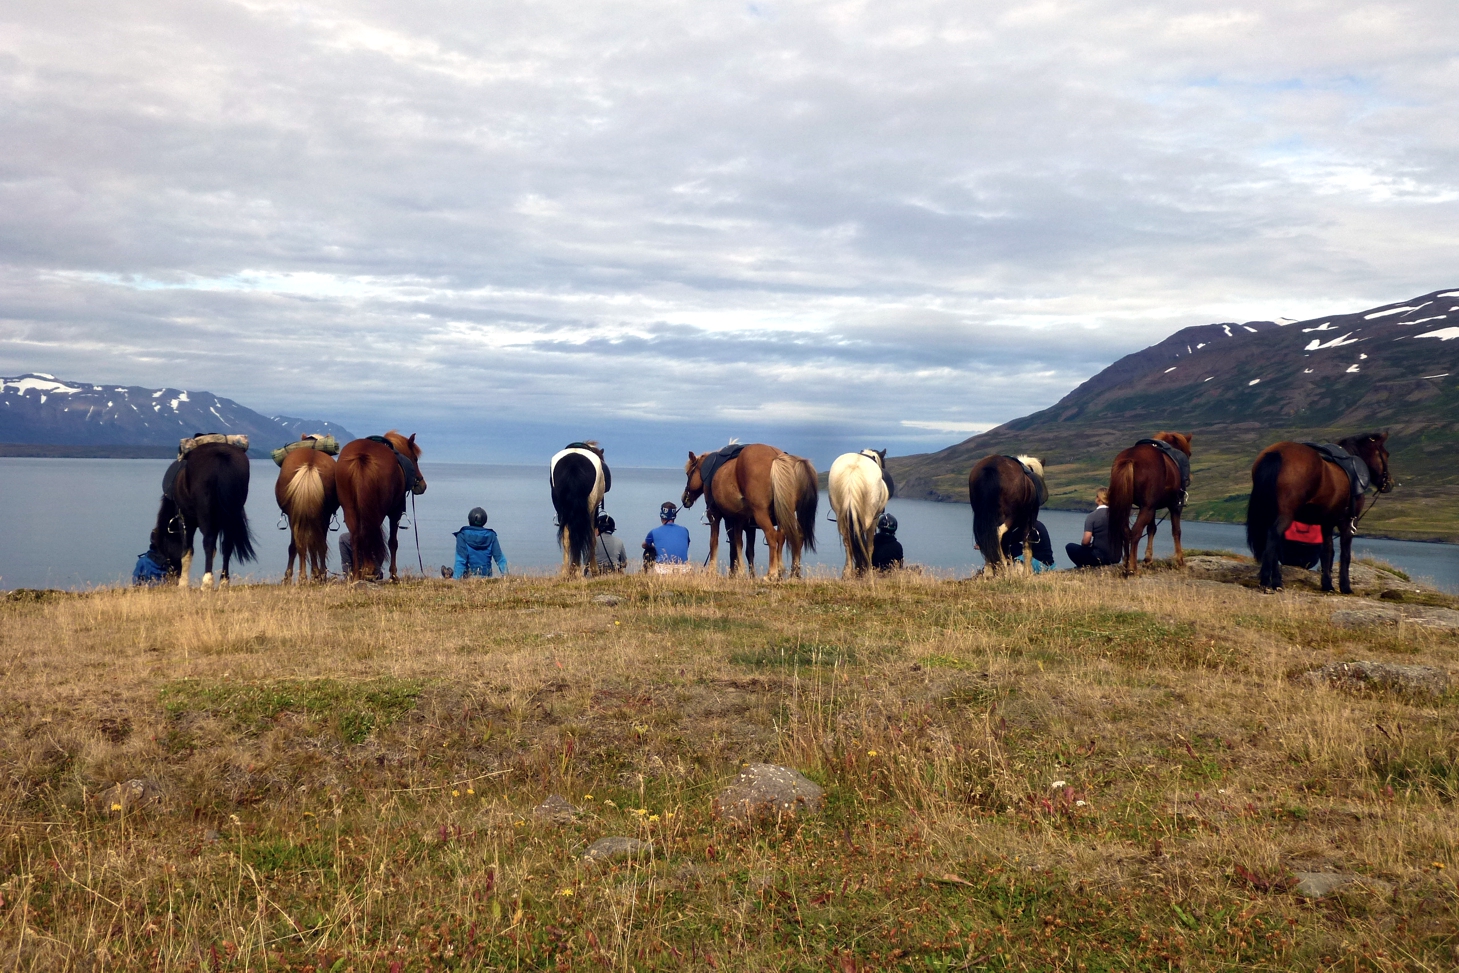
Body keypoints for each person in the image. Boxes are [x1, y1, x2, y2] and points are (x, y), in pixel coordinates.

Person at [1066, 488, 1117, 568]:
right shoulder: (1117, 515)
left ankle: (1082, 566)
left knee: (1069, 546)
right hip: (1116, 557)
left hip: (1099, 557)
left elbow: (1086, 541)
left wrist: (1087, 545)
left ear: (1098, 499)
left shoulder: (1092, 516)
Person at [453, 507, 507, 578]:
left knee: (449, 572)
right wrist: (507, 576)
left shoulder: (462, 535)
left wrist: (456, 578)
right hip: (486, 577)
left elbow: (460, 560)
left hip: (467, 577)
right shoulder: (491, 535)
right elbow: (500, 559)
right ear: (485, 521)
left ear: (469, 520)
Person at [643, 501, 692, 573]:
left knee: (648, 551)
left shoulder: (654, 531)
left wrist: (654, 547)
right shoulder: (685, 530)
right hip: (683, 569)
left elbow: (644, 545)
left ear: (662, 516)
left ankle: (645, 573)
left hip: (663, 569)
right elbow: (687, 545)